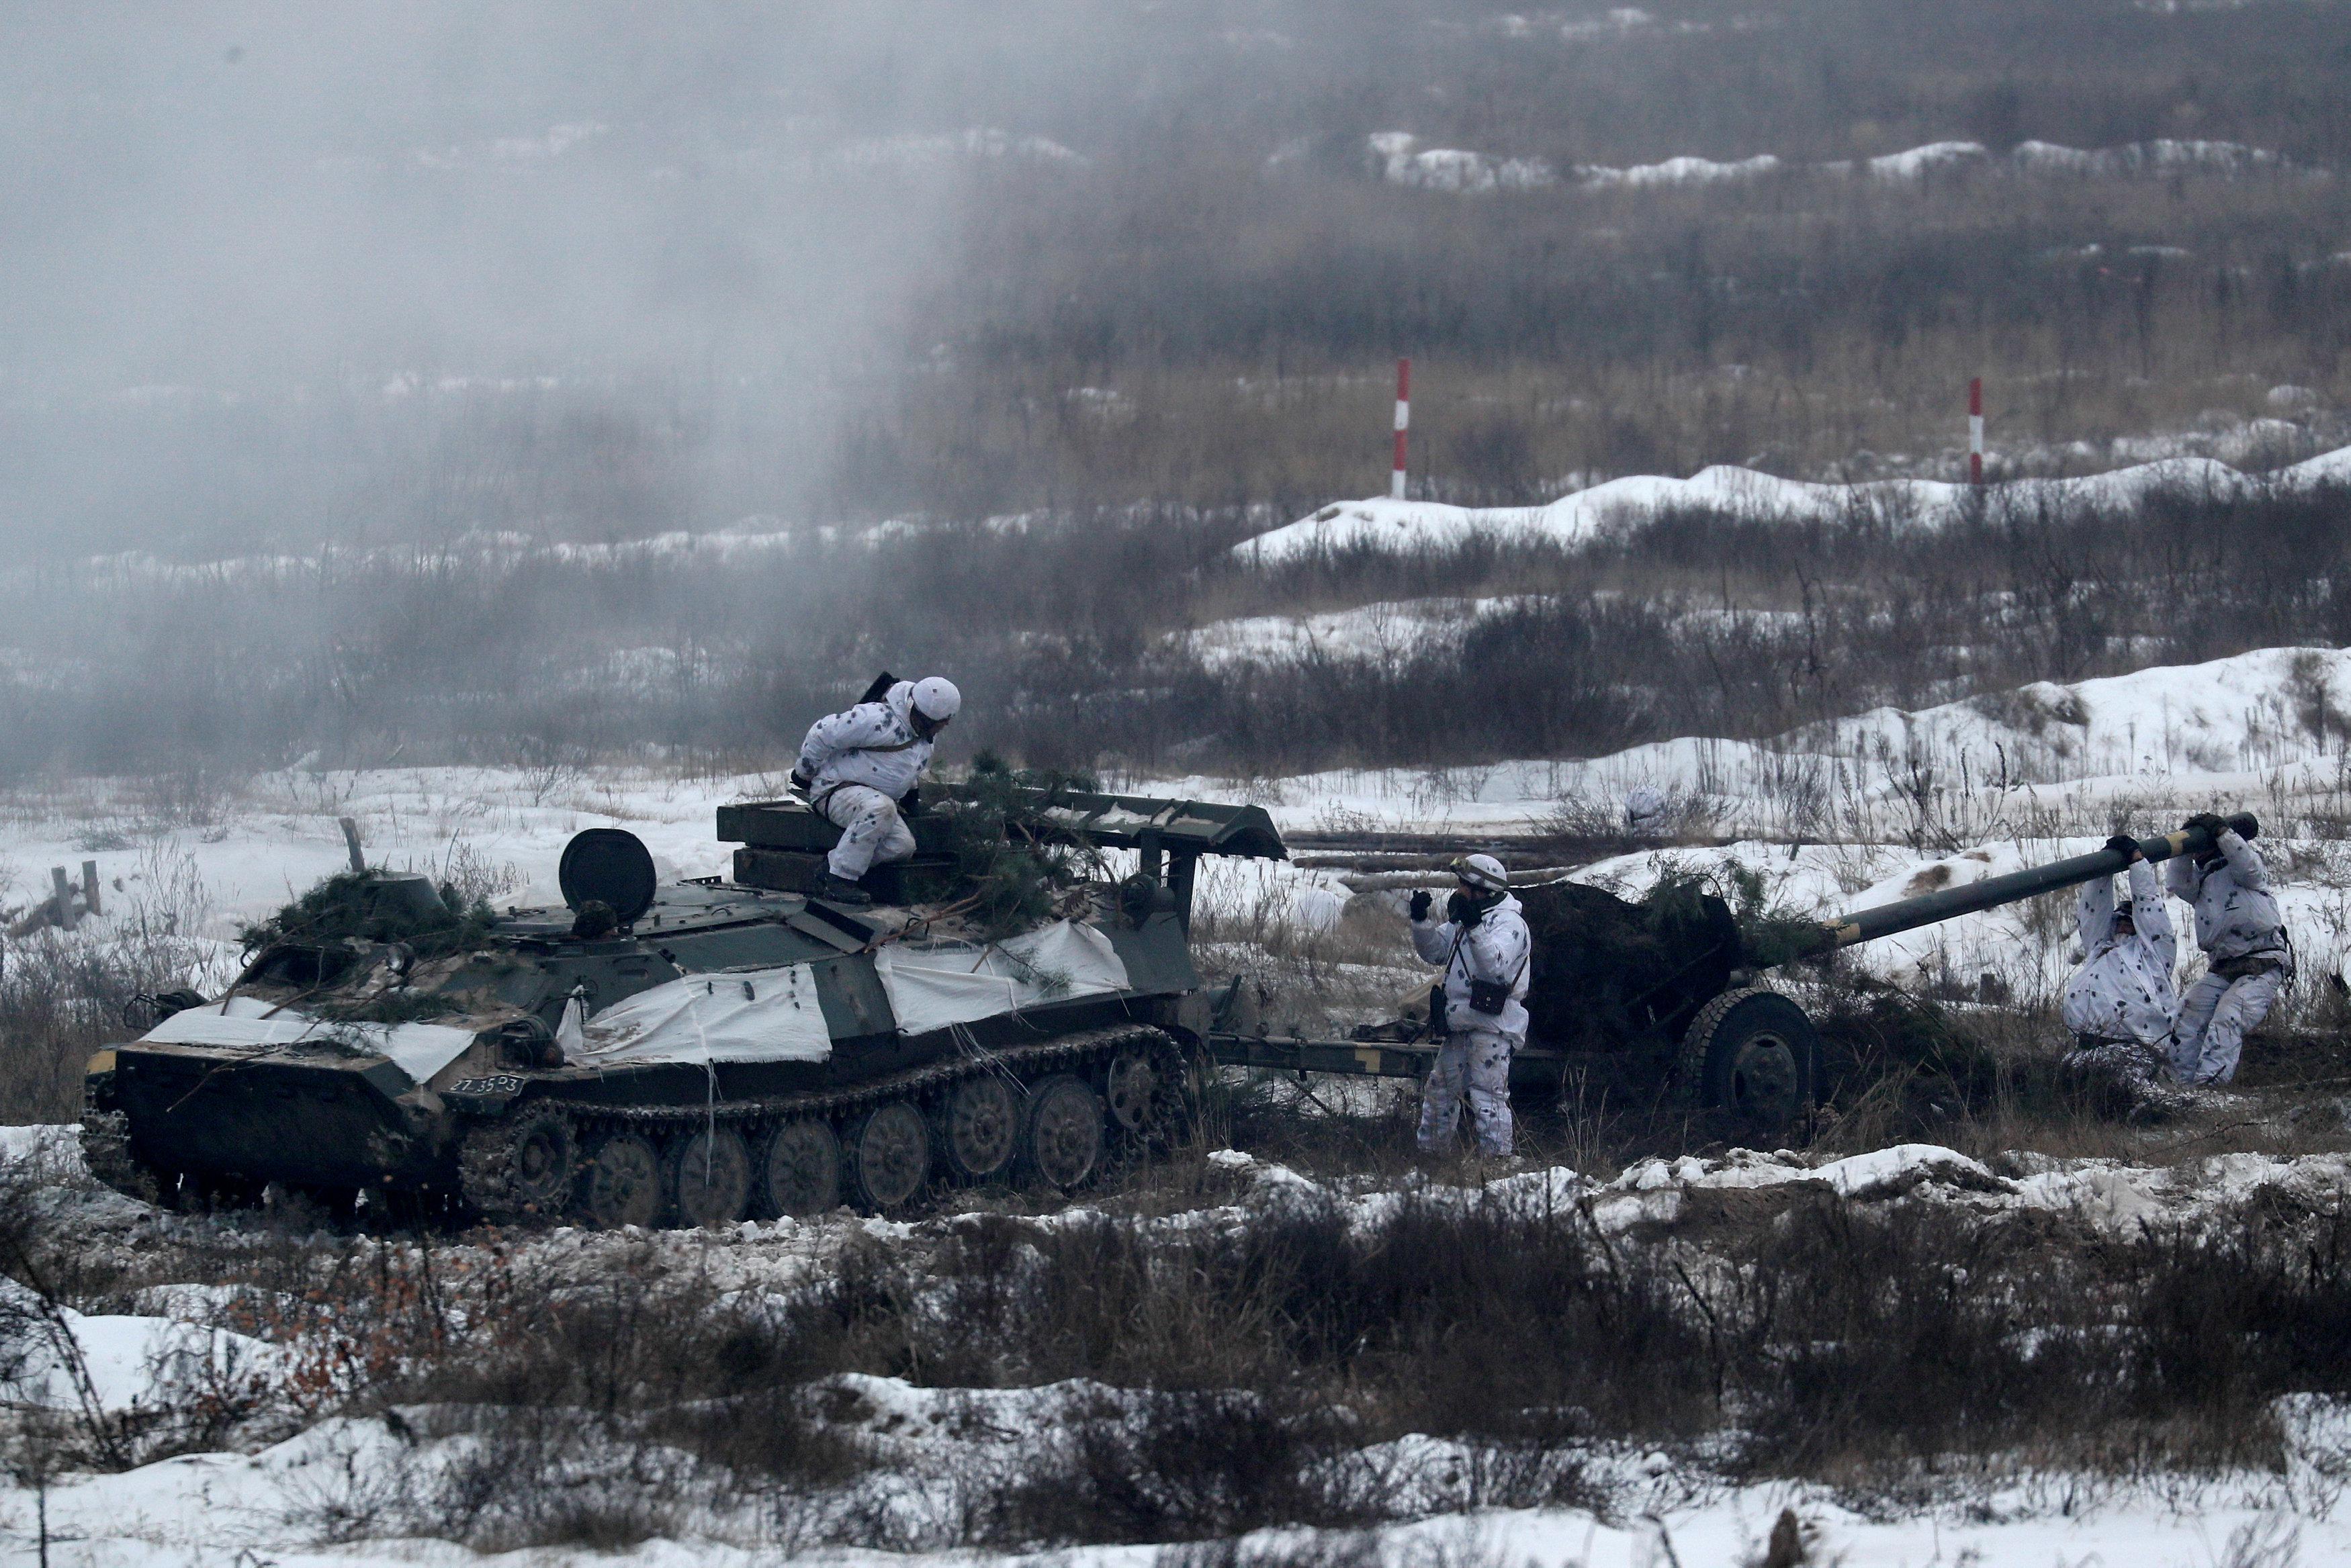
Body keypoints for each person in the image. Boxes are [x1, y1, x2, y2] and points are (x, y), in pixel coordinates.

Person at [791, 676, 961, 905]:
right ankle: (839, 880)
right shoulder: (876, 719)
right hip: (834, 790)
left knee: (903, 845)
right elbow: (822, 732)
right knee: (881, 807)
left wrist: (912, 795)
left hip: (875, 802)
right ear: (926, 717)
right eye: (942, 722)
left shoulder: (924, 737)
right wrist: (804, 773)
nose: (945, 726)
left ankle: (831, 867)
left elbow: (903, 767)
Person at [1407, 853, 1532, 1158]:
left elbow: (1496, 968)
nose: (1459, 890)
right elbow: (1437, 952)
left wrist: (1475, 926)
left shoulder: (1510, 924)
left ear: (1482, 890)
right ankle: (1432, 1157)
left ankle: (1498, 1161)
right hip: (1460, 1022)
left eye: (1464, 885)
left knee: (1488, 1096)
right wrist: (1421, 921)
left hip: (1492, 1026)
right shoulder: (1465, 919)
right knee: (1439, 1091)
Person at [2166, 811, 2290, 1086]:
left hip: (2263, 959)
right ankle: (2178, 1086)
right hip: (2224, 964)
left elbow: (2246, 865)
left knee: (2229, 1015)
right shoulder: (2202, 883)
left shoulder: (2245, 872)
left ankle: (2210, 1087)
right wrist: (2183, 847)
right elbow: (2176, 882)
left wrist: (2222, 832)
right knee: (2188, 1013)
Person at [2058, 833, 2180, 1115]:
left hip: (2132, 1049)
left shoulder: (2154, 955)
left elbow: (2151, 908)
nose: (2124, 926)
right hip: (2088, 1046)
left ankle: (2149, 1112)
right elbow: (2093, 910)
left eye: (2130, 921)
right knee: (2071, 1087)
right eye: (2120, 921)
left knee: (2123, 1089)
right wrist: (2104, 867)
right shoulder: (2100, 947)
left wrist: (2137, 863)